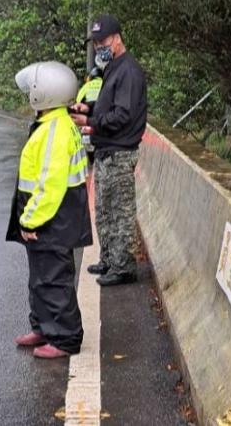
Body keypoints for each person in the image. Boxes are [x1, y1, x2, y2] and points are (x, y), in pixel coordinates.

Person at [6, 61, 92, 359]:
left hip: (52, 219)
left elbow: (49, 185)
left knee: (54, 279)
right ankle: (43, 326)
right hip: (52, 219)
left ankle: (65, 338)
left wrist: (29, 220)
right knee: (40, 277)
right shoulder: (52, 122)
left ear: (44, 94)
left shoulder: (54, 129)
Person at [70, 14, 147, 287]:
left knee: (120, 211)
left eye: (102, 41)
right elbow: (107, 105)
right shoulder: (112, 67)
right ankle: (109, 258)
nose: (99, 46)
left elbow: (122, 115)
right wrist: (87, 109)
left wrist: (90, 123)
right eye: (95, 42)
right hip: (106, 150)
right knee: (104, 211)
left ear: (116, 38)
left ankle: (124, 265)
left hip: (120, 150)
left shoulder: (128, 70)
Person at [76, 64, 103, 164]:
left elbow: (78, 101)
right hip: (101, 117)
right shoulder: (105, 84)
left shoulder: (86, 86)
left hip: (87, 116)